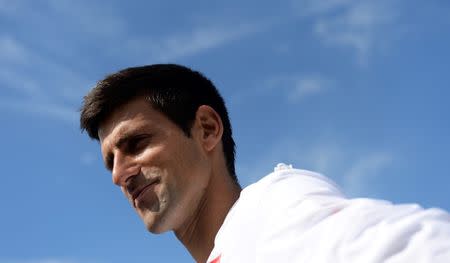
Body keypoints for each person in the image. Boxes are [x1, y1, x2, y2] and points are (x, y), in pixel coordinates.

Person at [80, 64, 450, 263]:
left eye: (136, 143)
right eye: (110, 160)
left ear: (207, 130)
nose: (118, 175)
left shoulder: (274, 212)